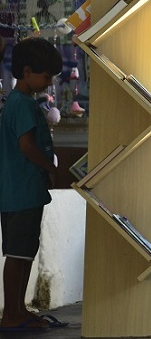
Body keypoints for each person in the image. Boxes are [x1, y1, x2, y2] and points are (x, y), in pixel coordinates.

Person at [0, 37, 63, 331]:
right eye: (45, 75)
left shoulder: (19, 102)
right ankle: (11, 312)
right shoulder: (22, 104)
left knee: (24, 252)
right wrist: (49, 167)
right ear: (27, 72)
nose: (48, 82)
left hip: (21, 191)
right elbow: (26, 145)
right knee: (18, 254)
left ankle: (18, 309)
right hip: (21, 191)